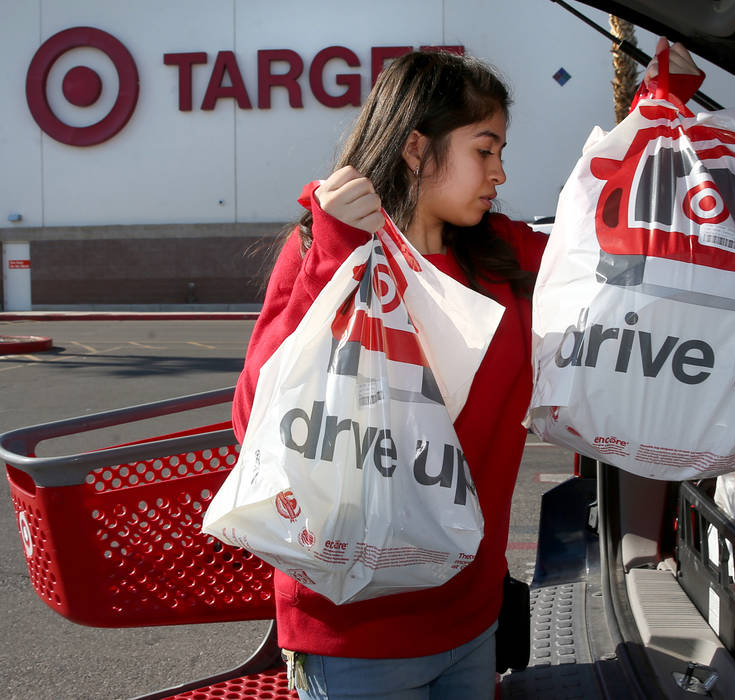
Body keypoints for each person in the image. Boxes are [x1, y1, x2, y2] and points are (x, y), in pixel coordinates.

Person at [232, 38, 702, 700]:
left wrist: (658, 114)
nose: (499, 173)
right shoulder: (322, 249)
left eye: (501, 152)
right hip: (356, 634)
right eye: (484, 150)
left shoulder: (499, 255)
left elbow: (606, 241)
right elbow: (257, 418)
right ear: (417, 148)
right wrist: (335, 254)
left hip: (471, 616)